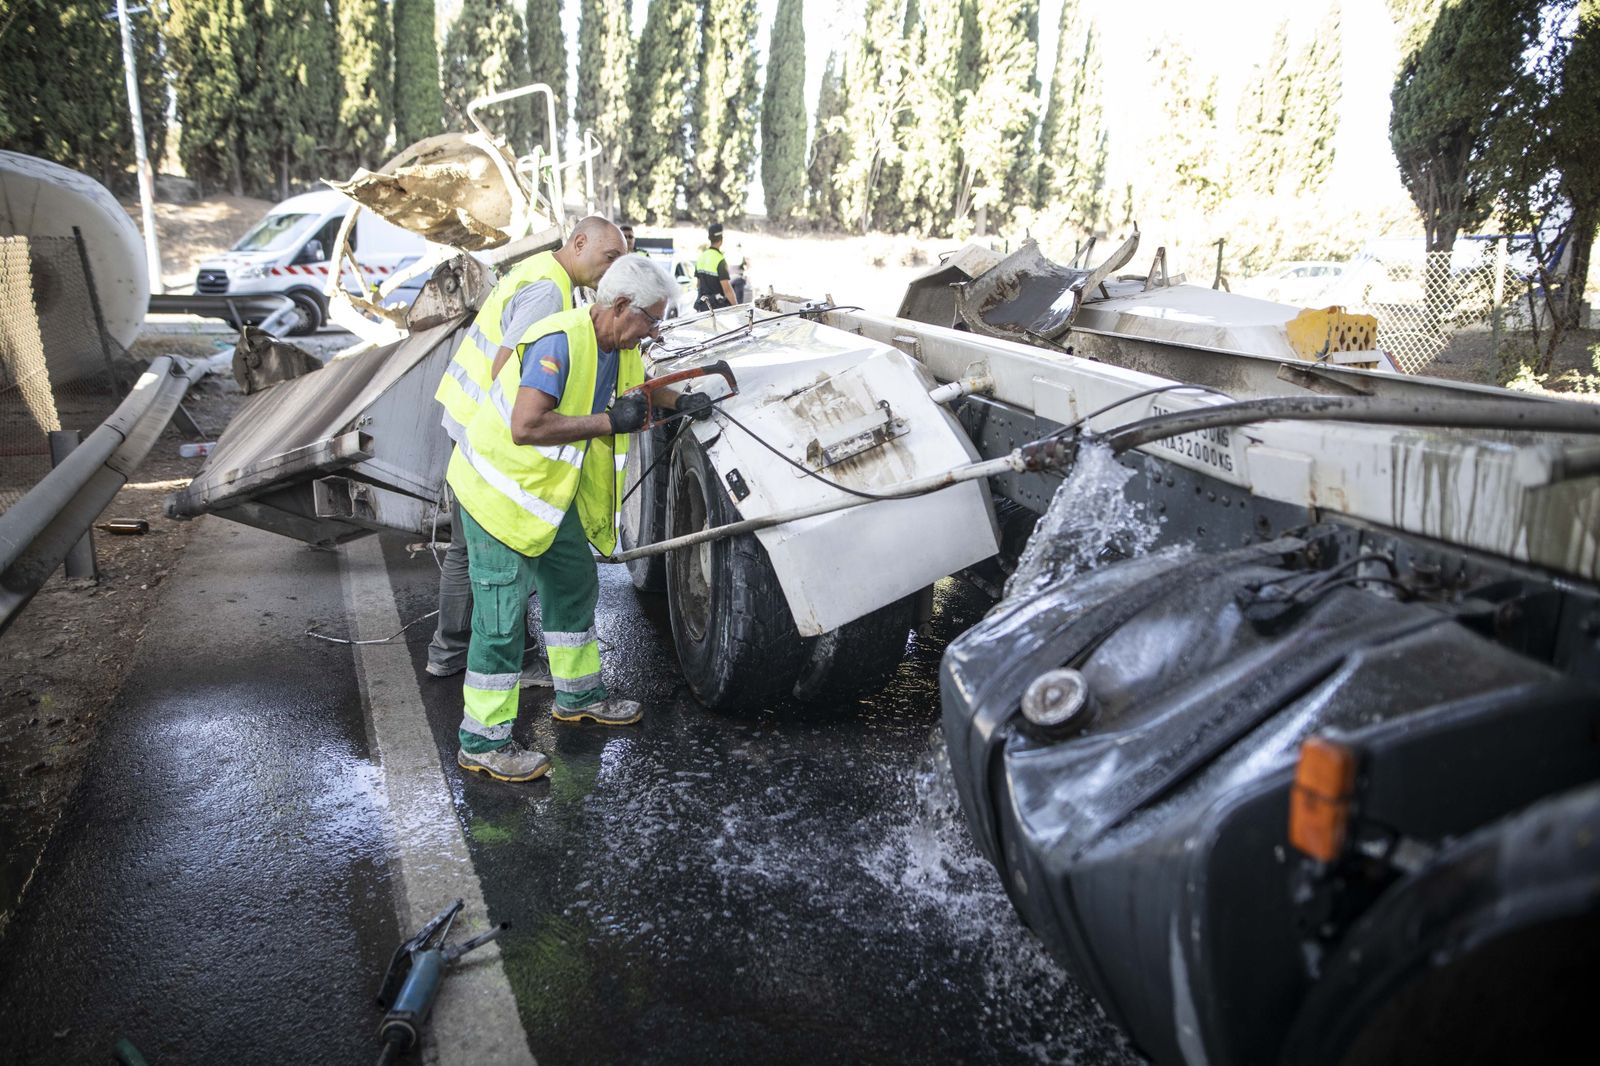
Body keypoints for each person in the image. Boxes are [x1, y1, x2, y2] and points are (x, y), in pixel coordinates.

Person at [446, 255, 712, 782]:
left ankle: (579, 696)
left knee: (573, 586)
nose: (654, 331)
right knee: (499, 624)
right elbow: (525, 426)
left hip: (544, 498)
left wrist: (682, 401)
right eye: (650, 320)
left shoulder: (618, 344)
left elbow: (640, 392)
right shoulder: (558, 341)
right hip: (497, 496)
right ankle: (482, 741)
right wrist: (607, 422)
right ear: (618, 307)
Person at [426, 217, 627, 681]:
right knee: (479, 549)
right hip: (482, 423)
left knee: (466, 548)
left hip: (465, 408)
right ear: (579, 243)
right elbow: (509, 366)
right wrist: (512, 429)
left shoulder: (542, 270)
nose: (613, 268)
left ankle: (450, 648)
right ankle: (459, 651)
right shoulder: (548, 293)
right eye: (610, 256)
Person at [693, 222, 738, 311]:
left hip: (702, 307)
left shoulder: (701, 257)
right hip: (716, 309)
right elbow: (727, 290)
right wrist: (736, 308)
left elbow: (698, 285)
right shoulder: (719, 259)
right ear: (721, 239)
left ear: (710, 238)